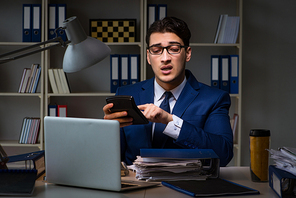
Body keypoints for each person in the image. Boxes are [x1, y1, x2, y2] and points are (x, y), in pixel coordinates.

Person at [103, 17, 233, 166]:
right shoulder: (125, 94)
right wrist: (107, 132)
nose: (165, 58)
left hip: (187, 186)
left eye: (174, 49)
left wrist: (170, 121)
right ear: (148, 56)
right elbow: (110, 160)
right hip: (136, 187)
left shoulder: (214, 99)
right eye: (156, 50)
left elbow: (223, 155)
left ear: (188, 53)